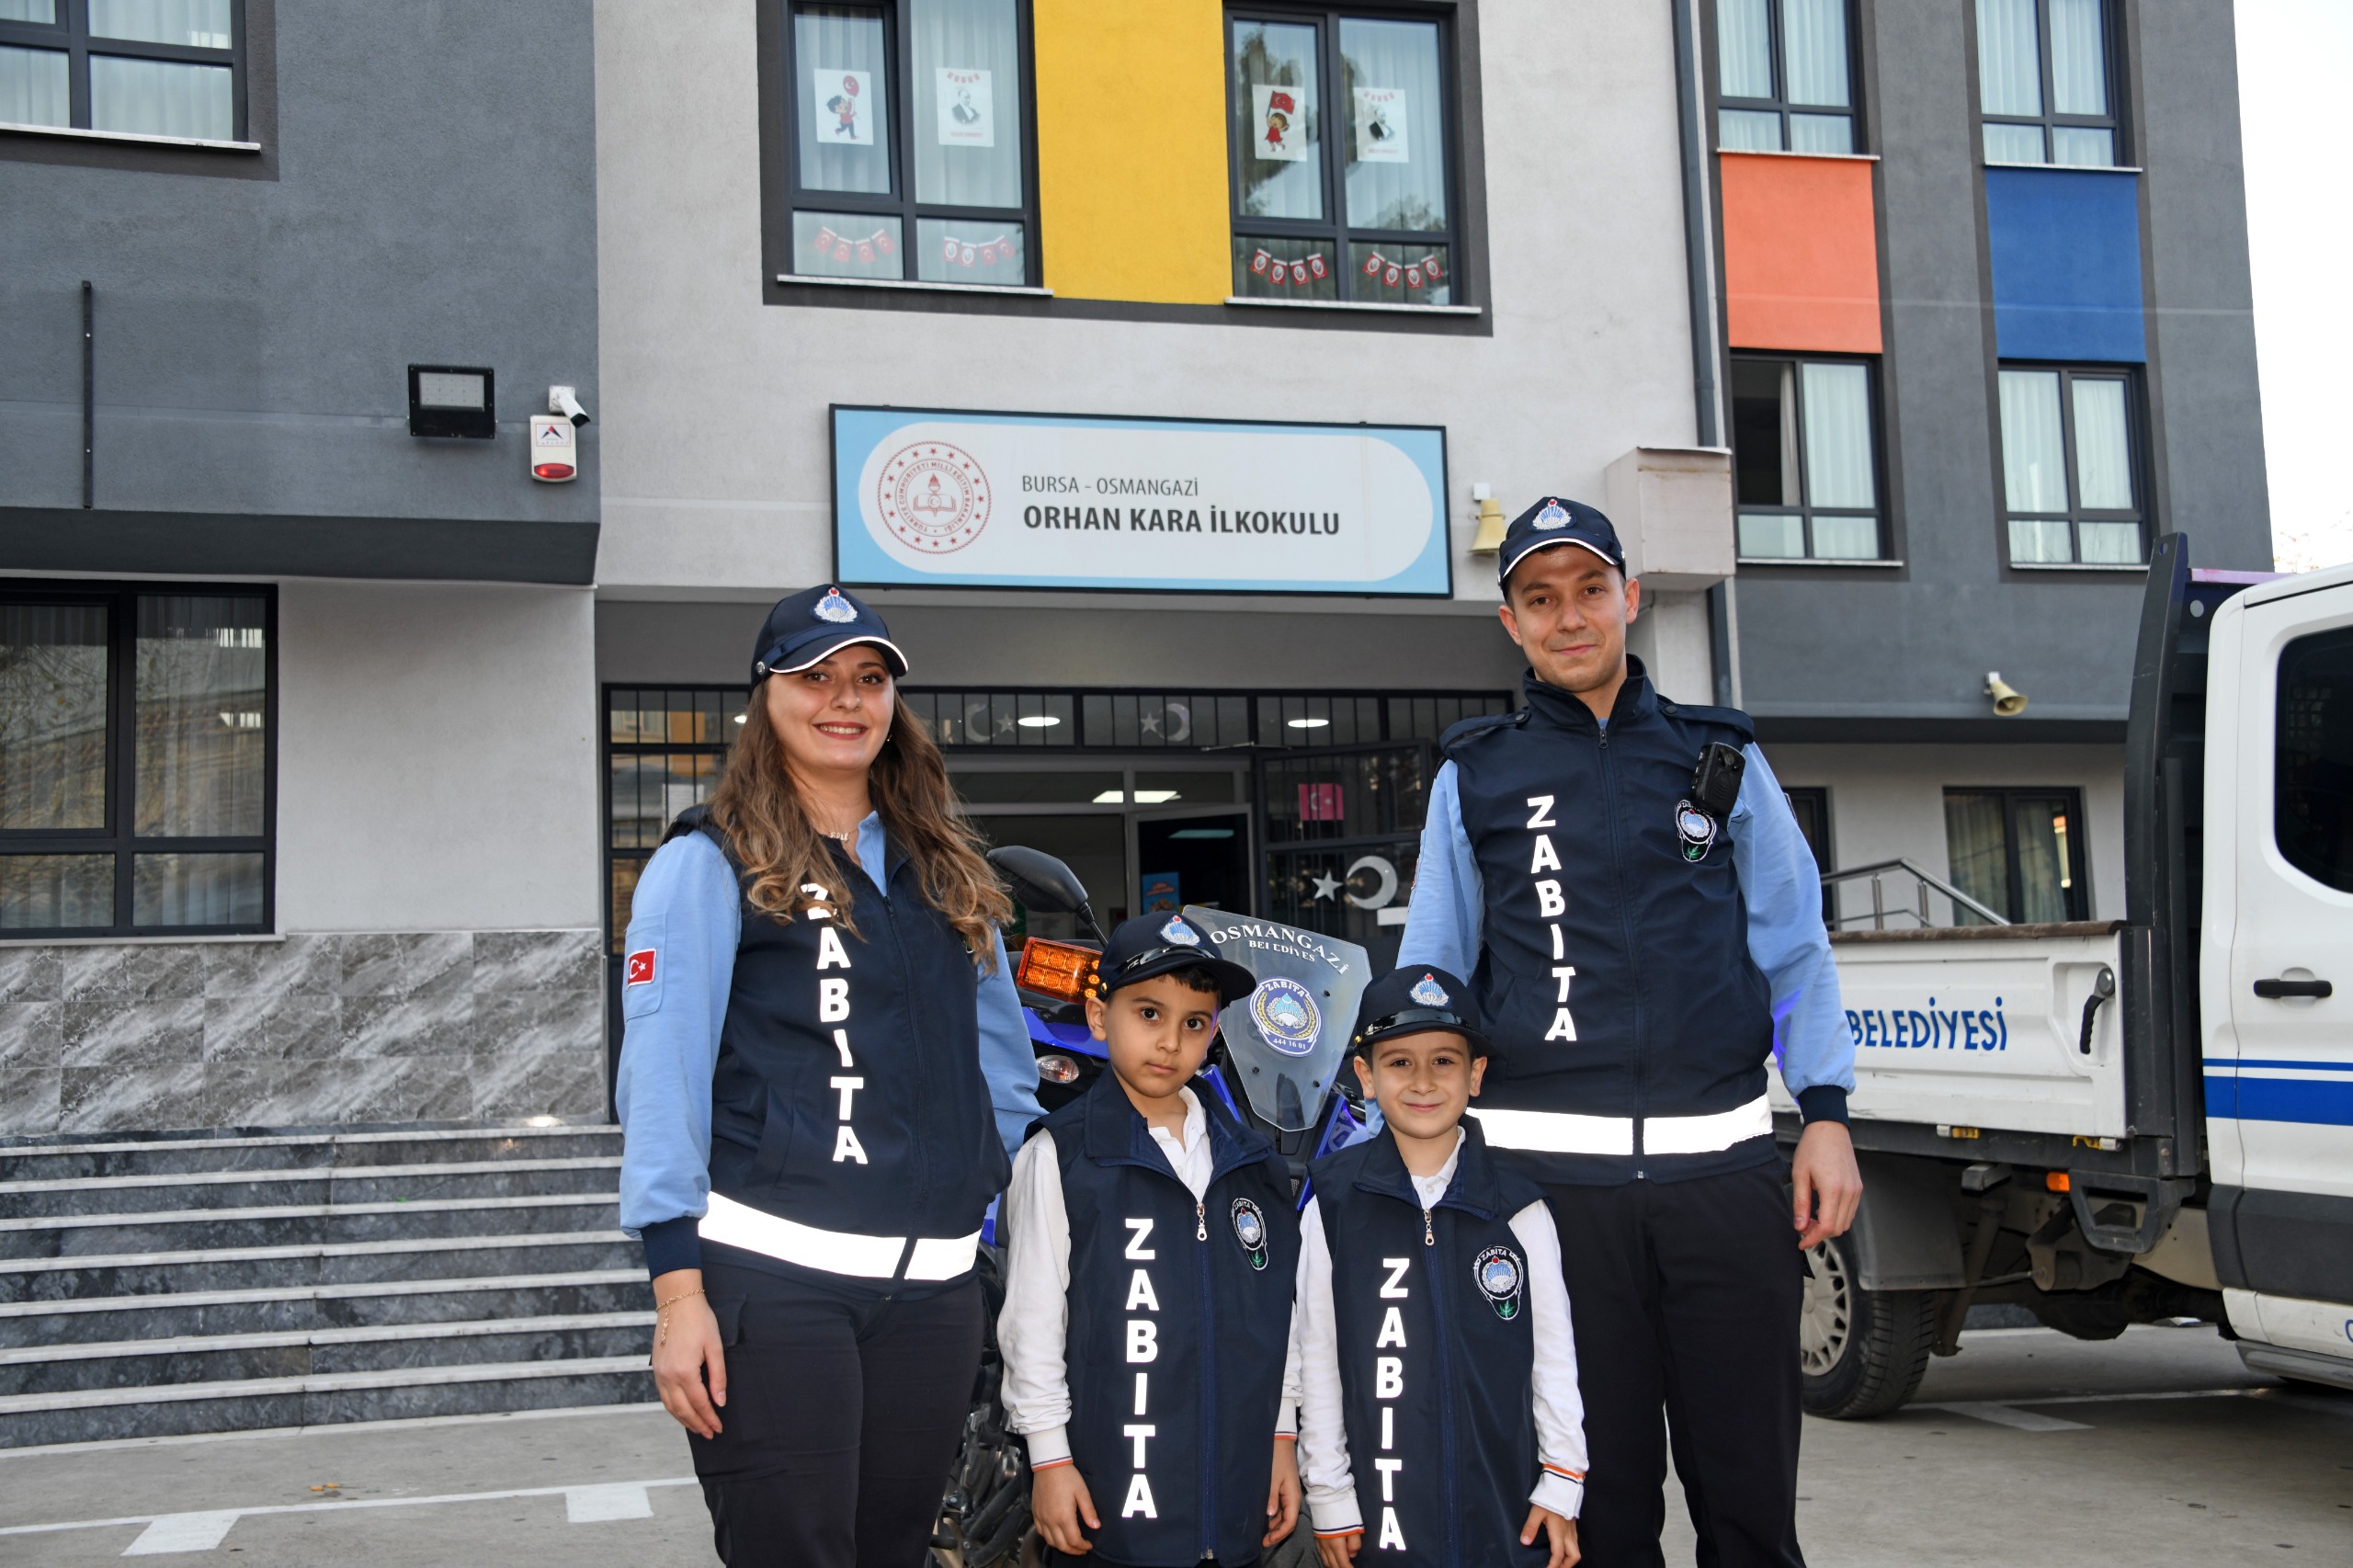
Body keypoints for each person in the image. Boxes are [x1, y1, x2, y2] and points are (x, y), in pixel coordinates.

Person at [1396, 498, 1860, 1568]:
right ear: (1511, 623)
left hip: (1724, 1184)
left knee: (1750, 1507)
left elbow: (1795, 945)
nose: (1568, 616)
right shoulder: (1475, 773)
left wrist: (1826, 1112)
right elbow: (1433, 977)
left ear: (1629, 598)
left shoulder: (1720, 756)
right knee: (1592, 1518)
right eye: (1540, 598)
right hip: (1548, 1200)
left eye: (1588, 589)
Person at [613, 583, 1044, 1568]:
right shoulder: (708, 860)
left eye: (870, 678)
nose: (845, 699)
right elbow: (662, 1081)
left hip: (934, 1299)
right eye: (815, 676)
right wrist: (678, 1295)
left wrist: (999, 1202)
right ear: (765, 696)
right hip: (774, 1292)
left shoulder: (946, 868)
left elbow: (1004, 1075)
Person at [998, 912, 1304, 1566]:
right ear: (1099, 1016)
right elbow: (1032, 1321)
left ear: (1214, 1032)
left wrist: (1281, 1438)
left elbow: (1276, 1323)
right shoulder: (1060, 1156)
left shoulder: (1254, 1165)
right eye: (1148, 1014)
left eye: (1194, 1023)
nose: (1170, 1042)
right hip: (1113, 1512)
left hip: (1236, 1510)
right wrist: (1049, 1459)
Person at [1293, 964, 1586, 1568]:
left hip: (1506, 1511)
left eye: (1445, 1061)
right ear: (1365, 1076)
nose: (1423, 1082)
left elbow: (1554, 1356)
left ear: (1475, 1074)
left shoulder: (1520, 1207)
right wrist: (1329, 1494)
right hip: (1380, 1517)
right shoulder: (1333, 1203)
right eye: (1400, 1062)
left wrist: (1562, 1479)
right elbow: (1316, 1358)